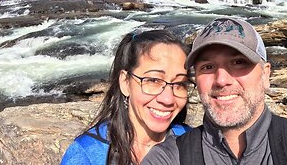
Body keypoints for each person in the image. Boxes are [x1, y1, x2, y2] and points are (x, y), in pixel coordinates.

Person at [142, 17, 287, 165]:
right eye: (207, 67)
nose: (222, 80)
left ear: (265, 75)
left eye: (238, 62)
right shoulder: (171, 157)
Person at [60, 29, 196, 165]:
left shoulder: (193, 143)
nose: (168, 99)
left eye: (179, 84)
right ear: (125, 82)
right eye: (154, 80)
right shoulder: (88, 154)